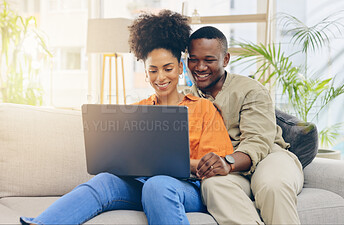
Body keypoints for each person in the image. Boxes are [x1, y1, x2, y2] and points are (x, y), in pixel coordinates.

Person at [20, 11, 233, 225]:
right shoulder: (135, 111)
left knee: (157, 184)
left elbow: (214, 166)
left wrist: (173, 165)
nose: (160, 77)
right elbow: (119, 159)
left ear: (179, 68)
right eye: (153, 70)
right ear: (145, 72)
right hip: (140, 185)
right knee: (104, 181)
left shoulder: (204, 108)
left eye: (167, 68)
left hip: (185, 190)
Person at [183, 26, 304, 225]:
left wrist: (227, 162)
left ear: (225, 59)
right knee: (212, 186)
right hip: (229, 171)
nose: (200, 67)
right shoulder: (187, 99)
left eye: (209, 60)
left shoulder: (250, 90)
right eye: (193, 59)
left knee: (273, 186)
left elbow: (258, 142)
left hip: (269, 157)